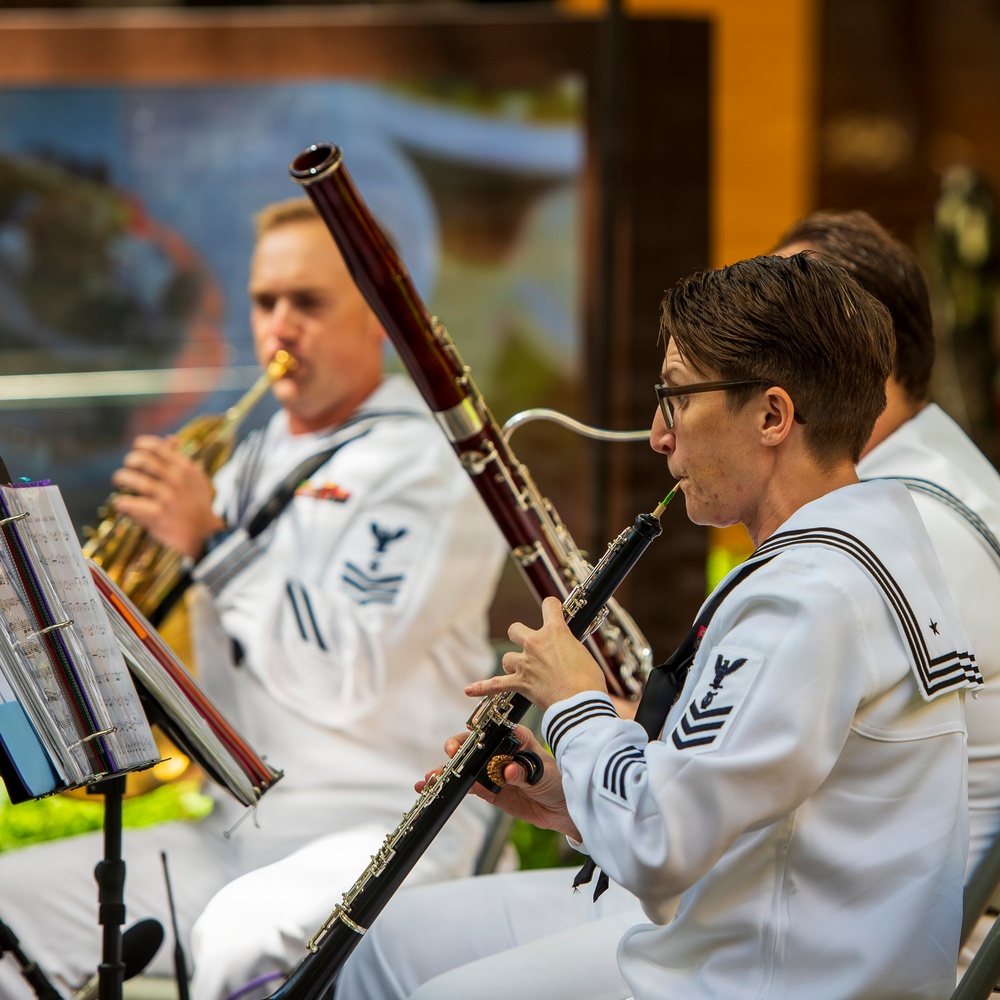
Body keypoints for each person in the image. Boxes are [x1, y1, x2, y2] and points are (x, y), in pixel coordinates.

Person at [338, 209, 1000, 1000]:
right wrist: (568, 795)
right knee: (391, 949)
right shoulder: (876, 545)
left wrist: (579, 705)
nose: (658, 435)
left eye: (678, 397)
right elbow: (754, 812)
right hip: (778, 942)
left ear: (773, 416)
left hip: (759, 975)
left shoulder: (810, 594)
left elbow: (663, 846)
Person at [0, 197, 507, 1000]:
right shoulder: (247, 459)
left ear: (378, 317)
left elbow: (348, 677)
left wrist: (209, 543)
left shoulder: (430, 465)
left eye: (308, 302)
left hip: (390, 822)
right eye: (265, 302)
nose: (280, 326)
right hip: (237, 824)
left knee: (242, 935)